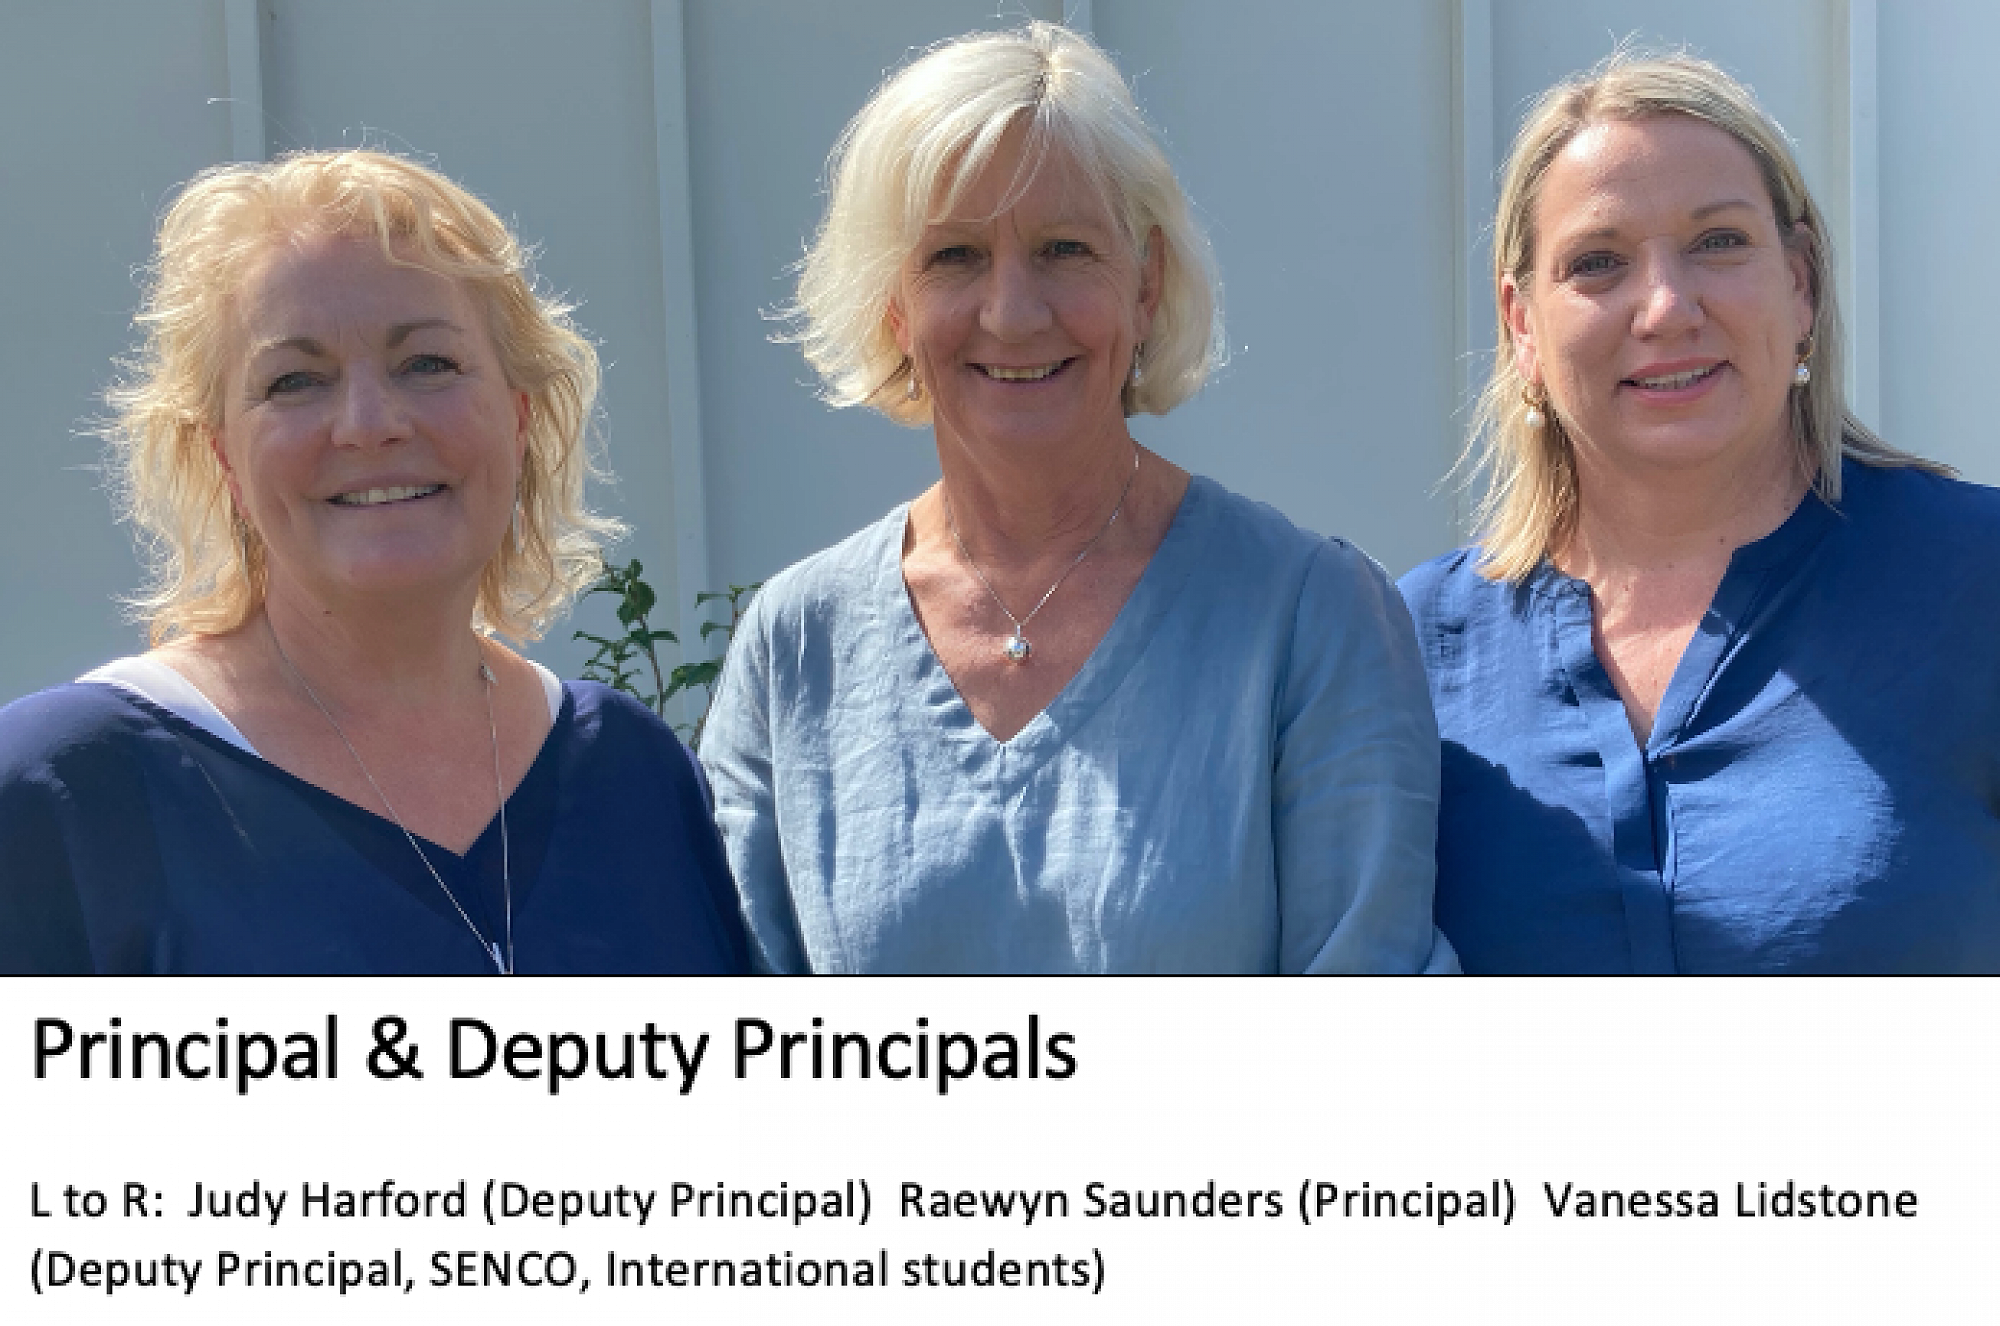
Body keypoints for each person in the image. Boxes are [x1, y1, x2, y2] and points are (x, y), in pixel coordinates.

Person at [700, 23, 1450, 973]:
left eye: (1063, 248)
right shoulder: (797, 644)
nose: (1013, 312)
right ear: (894, 307)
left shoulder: (1310, 617)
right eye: (955, 256)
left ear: (1147, 284)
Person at [0, 150, 749, 974]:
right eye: (295, 380)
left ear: (520, 418)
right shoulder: (65, 790)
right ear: (224, 459)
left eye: (427, 363)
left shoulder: (634, 773)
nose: (368, 423)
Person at [1399, 53, 2000, 972]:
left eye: (1718, 242)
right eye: (1598, 263)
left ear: (1801, 283)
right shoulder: (1409, 646)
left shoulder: (1975, 579)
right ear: (1522, 325)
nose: (1668, 309)